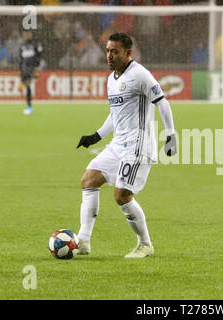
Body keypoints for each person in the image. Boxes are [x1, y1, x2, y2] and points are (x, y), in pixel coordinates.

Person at [76, 33, 177, 258]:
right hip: (118, 144)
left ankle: (145, 244)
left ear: (128, 53)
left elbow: (162, 102)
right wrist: (96, 136)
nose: (109, 56)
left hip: (138, 145)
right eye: (108, 51)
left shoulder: (140, 75)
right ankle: (83, 241)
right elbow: (115, 114)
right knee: (89, 180)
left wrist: (171, 135)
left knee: (121, 195)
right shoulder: (111, 79)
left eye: (115, 51)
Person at [19, 30, 43, 115]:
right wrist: (21, 71)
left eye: (27, 34)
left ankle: (29, 107)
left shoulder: (35, 44)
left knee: (28, 85)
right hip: (24, 68)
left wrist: (36, 68)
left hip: (32, 67)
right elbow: (21, 60)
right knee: (27, 85)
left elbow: (39, 57)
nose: (26, 36)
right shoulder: (22, 46)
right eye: (24, 34)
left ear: (31, 35)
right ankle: (29, 106)